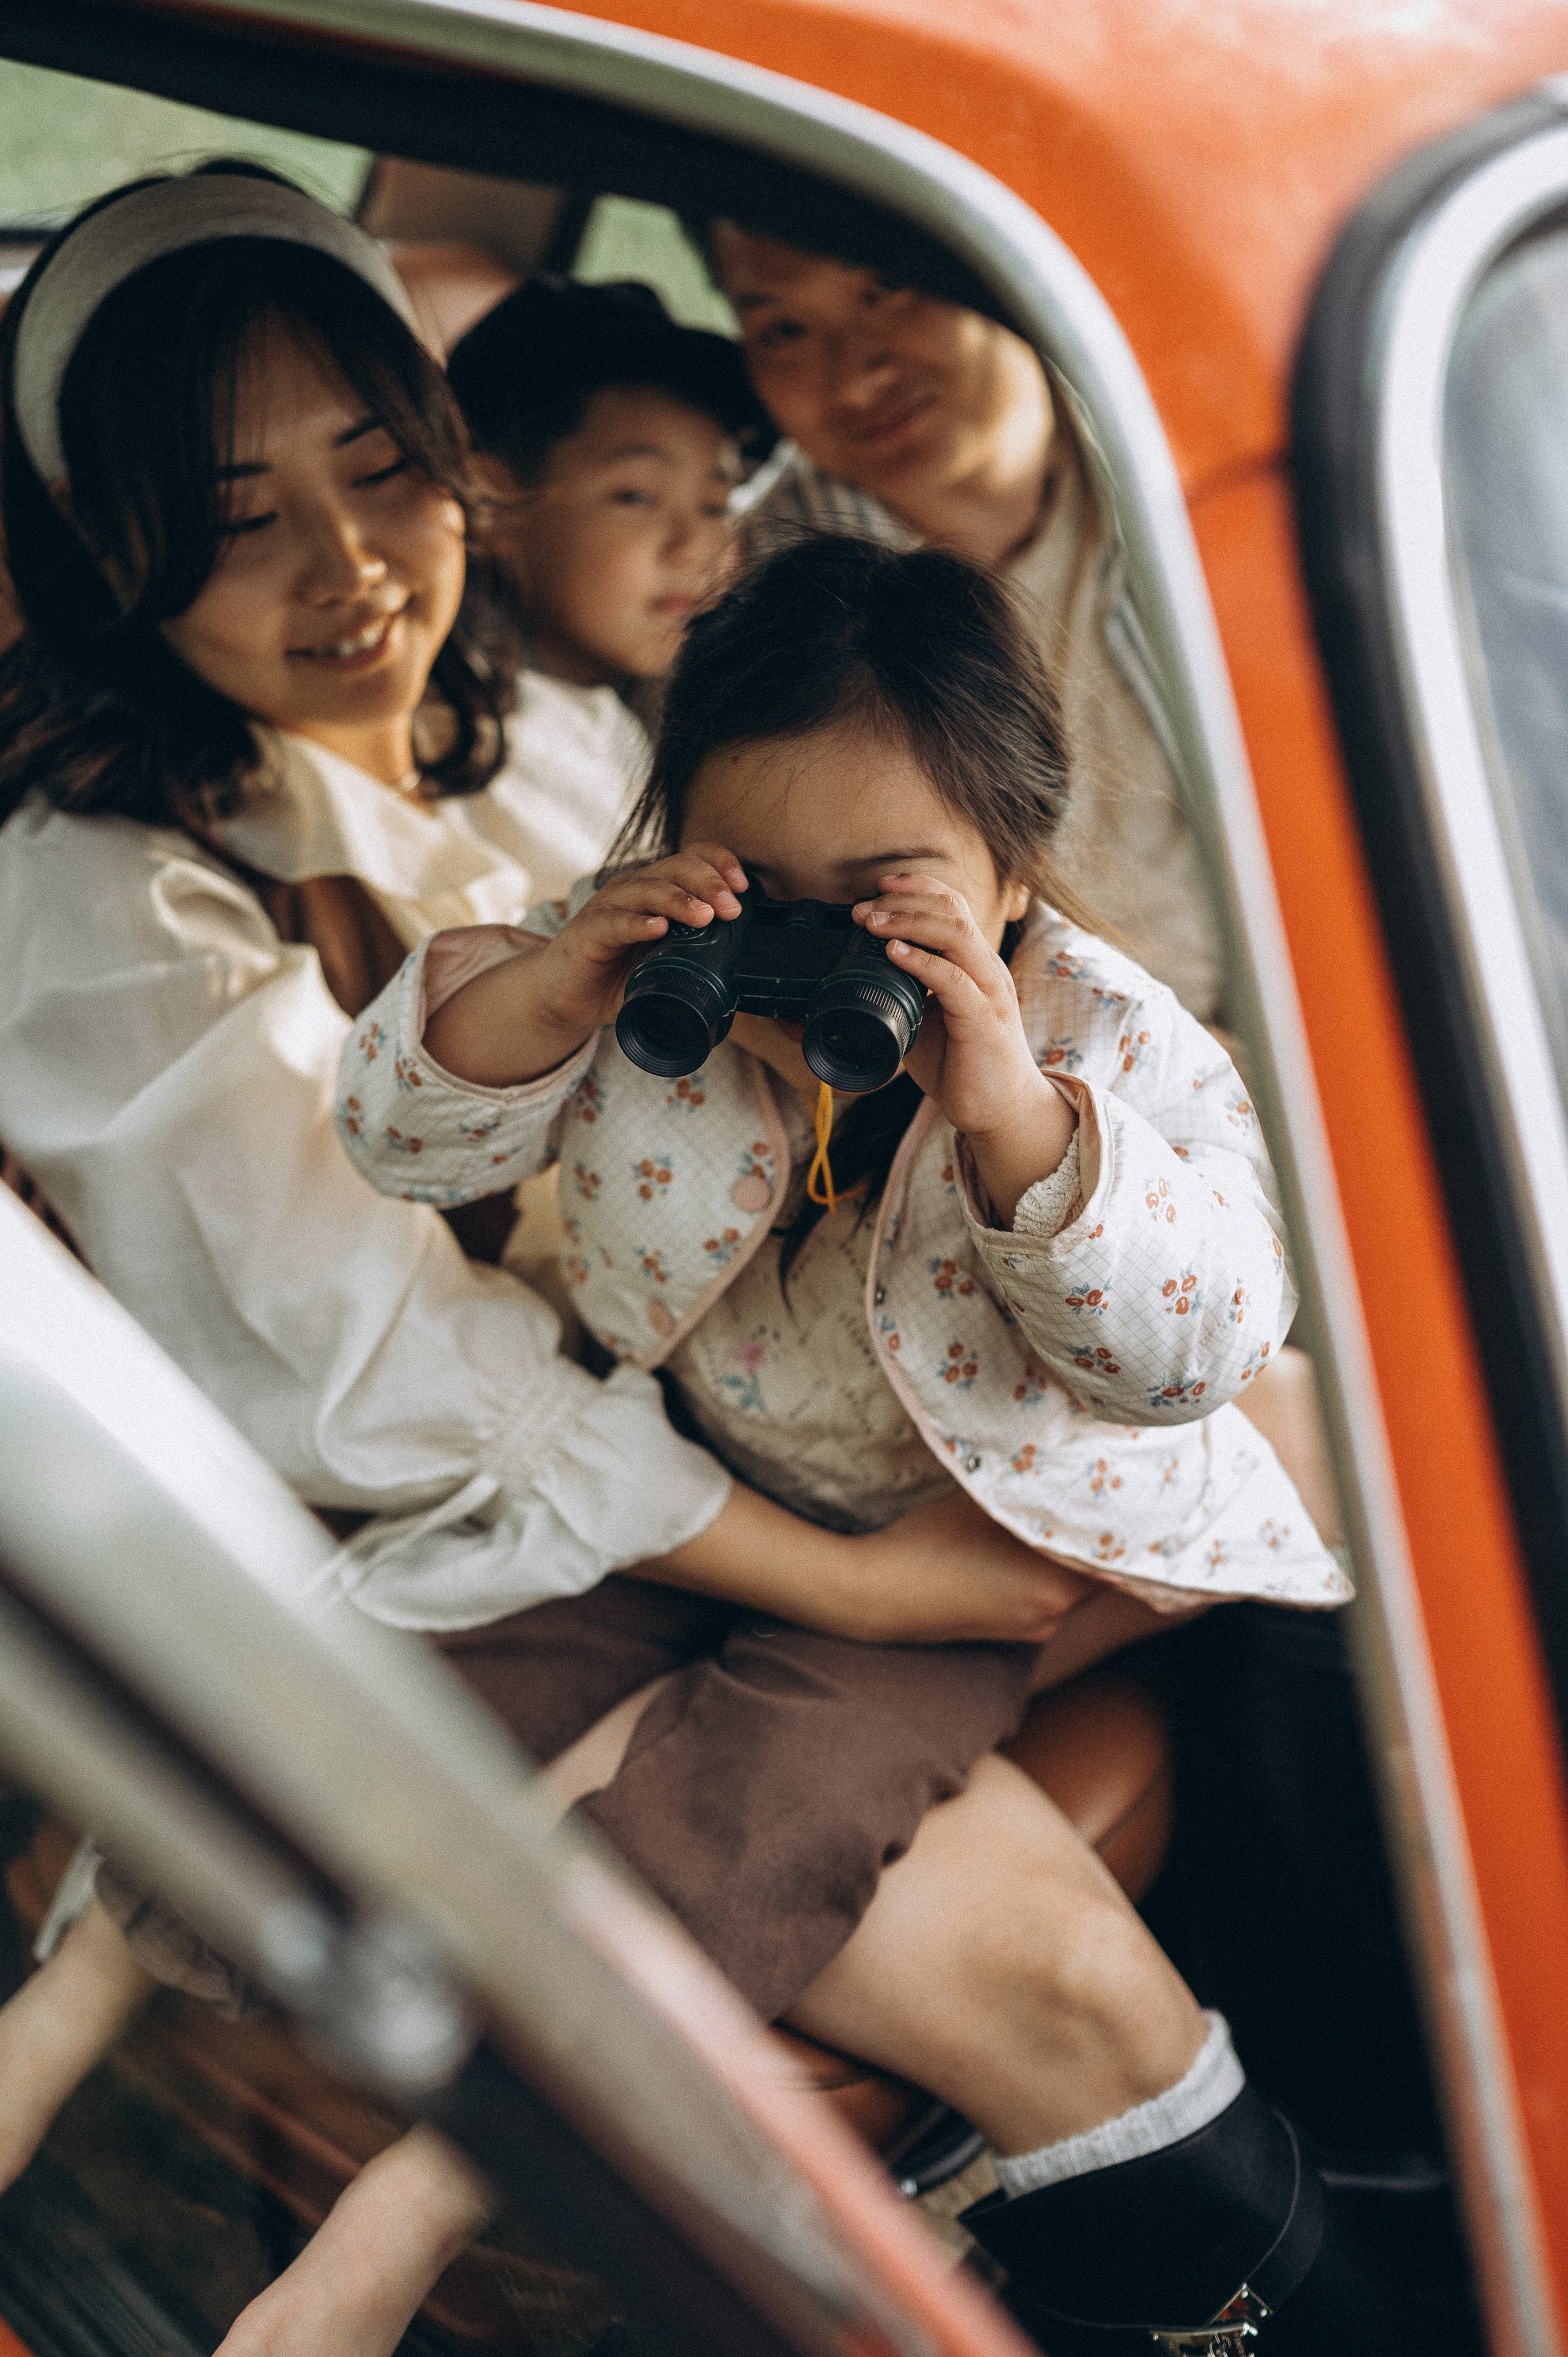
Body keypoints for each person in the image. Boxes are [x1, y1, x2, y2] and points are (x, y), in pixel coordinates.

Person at [0, 167, 1137, 2356]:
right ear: (103, 548)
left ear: (456, 476)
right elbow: (372, 1373)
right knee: (1018, 1941)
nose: (346, 571)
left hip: (667, 1441)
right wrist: (859, 1578)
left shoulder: (543, 739)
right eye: (239, 517)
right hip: (393, 1520)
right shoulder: (99, 898)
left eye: (379, 474)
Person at [337, 535, 1417, 2355]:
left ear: (1012, 875)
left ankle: (421, 2196)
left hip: (969, 1550)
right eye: (759, 890)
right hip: (713, 1467)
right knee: (420, 1648)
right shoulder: (641, 984)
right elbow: (397, 1137)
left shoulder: (1101, 1041)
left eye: (880, 905)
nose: (804, 954)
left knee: (780, 1799)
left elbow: (1197, 1343)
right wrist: (553, 977)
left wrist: (1015, 1123)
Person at [706, 220, 1225, 1026]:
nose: (856, 374)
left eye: (887, 285)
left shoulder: (1205, 485)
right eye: (783, 330)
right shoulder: (747, 600)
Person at [447, 273, 771, 905]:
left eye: (714, 503)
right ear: (491, 503)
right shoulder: (493, 747)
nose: (692, 547)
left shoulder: (645, 715)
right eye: (637, 496)